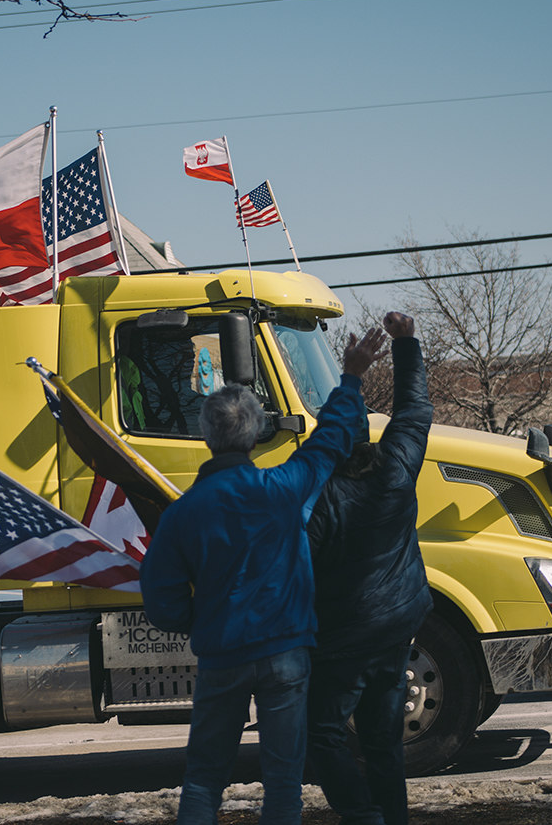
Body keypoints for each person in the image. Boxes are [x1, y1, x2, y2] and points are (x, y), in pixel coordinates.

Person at [140, 327, 388, 825]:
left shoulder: (183, 514)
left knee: (205, 776)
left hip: (221, 654)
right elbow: (330, 441)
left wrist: (199, 620)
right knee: (283, 781)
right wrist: (351, 377)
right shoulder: (282, 488)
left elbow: (160, 596)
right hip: (284, 654)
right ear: (254, 435)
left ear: (206, 435)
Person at [304, 311, 434, 825]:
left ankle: (361, 815)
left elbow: (300, 568)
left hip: (342, 638)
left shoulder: (320, 497)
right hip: (398, 625)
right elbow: (415, 409)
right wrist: (407, 344)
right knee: (383, 738)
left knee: (322, 732)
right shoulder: (397, 467)